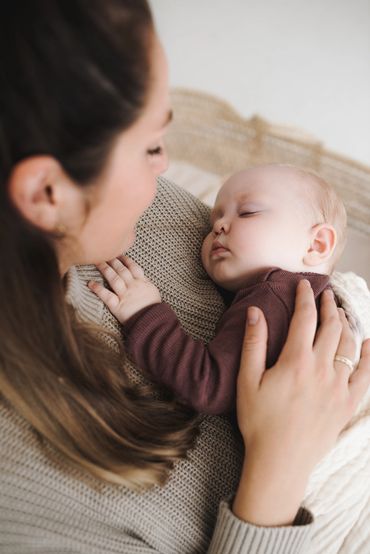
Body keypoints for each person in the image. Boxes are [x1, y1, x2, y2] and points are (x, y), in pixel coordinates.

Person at [1, 1, 370, 552]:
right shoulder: (23, 491)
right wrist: (280, 468)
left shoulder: (188, 237)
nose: (167, 168)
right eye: (150, 146)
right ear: (46, 193)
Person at [89, 164, 353, 415]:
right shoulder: (300, 299)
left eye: (248, 212)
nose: (218, 226)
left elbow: (208, 385)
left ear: (316, 245)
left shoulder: (277, 296)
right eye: (216, 216)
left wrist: (144, 313)